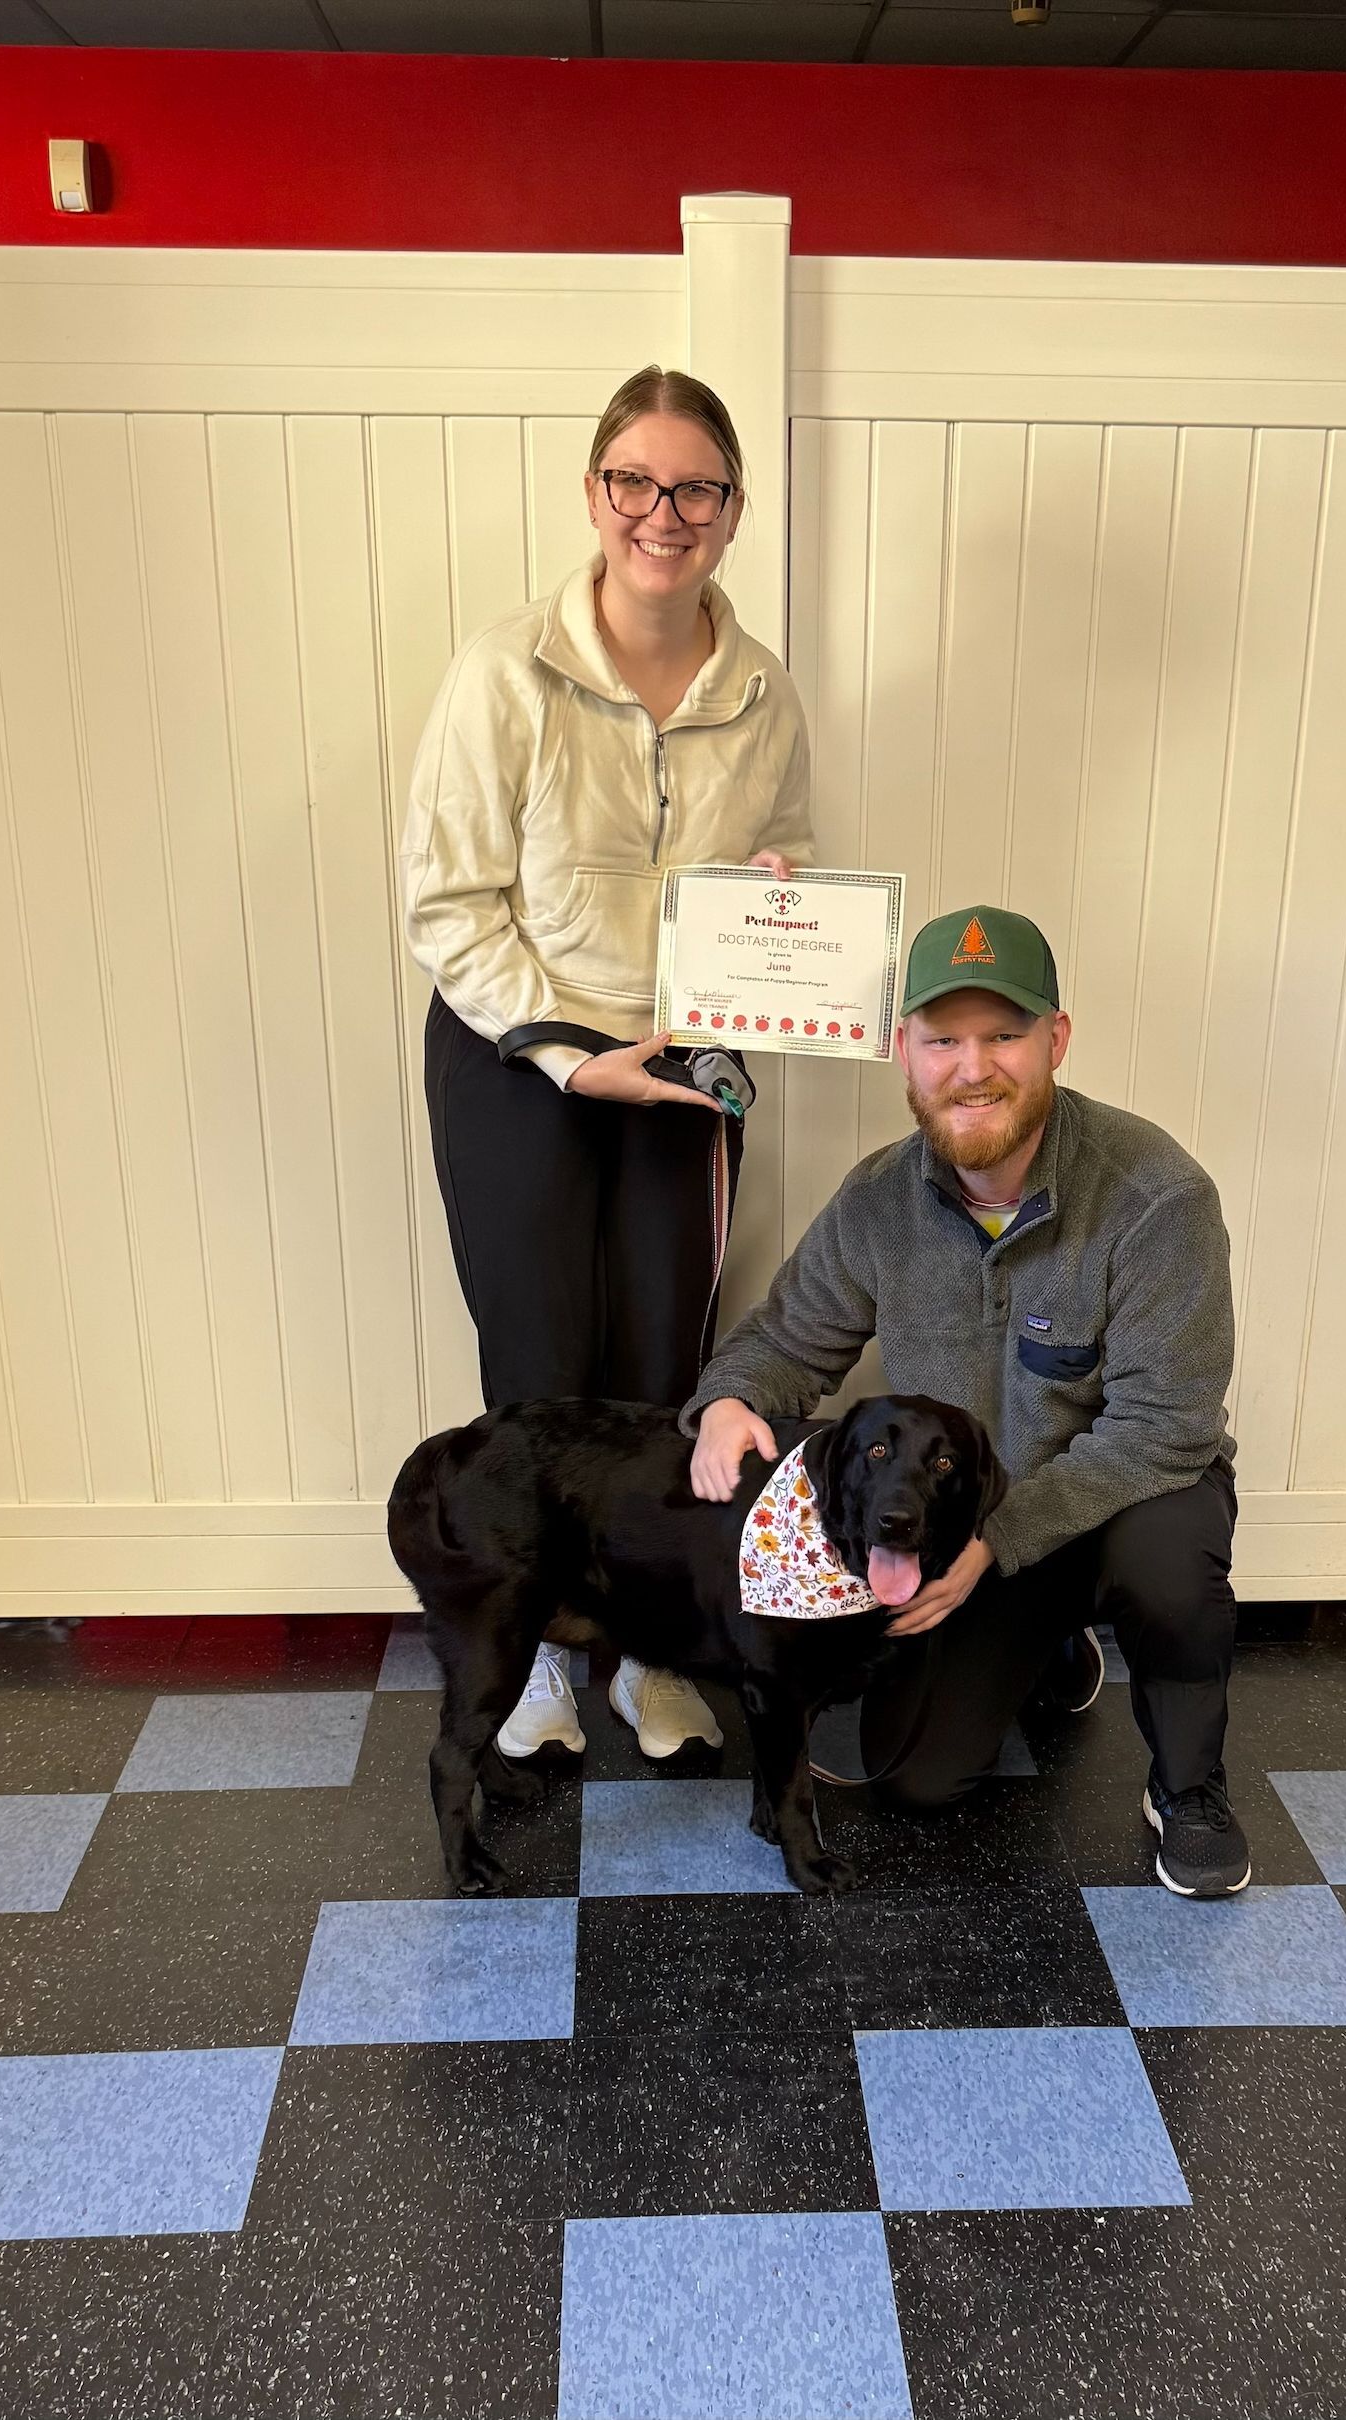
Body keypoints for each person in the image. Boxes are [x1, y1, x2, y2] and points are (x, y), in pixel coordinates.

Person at [403, 366, 814, 1765]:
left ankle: (650, 1656)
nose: (664, 512)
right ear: (593, 495)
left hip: (690, 1060)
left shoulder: (762, 694)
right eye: (635, 482)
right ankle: (532, 1664)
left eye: (695, 488)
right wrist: (571, 1056)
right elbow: (447, 901)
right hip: (520, 1056)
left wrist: (781, 899)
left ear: (732, 511)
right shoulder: (501, 670)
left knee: (661, 1371)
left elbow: (791, 855)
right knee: (536, 1371)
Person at [686, 904, 1250, 1897]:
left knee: (1171, 1563)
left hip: (1122, 1498)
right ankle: (1046, 1647)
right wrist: (730, 1399)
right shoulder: (875, 1200)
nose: (971, 1066)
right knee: (913, 1776)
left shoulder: (1157, 1196)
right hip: (970, 1517)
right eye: (943, 1038)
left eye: (1003, 1035)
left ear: (1056, 1040)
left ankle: (1189, 1787)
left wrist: (998, 1541)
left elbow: (1165, 1427)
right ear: (905, 1050)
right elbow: (783, 1340)